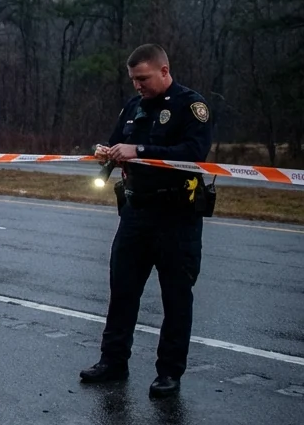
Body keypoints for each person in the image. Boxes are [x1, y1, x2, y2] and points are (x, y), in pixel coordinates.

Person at [81, 44, 214, 399]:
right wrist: (105, 152)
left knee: (176, 297)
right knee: (122, 290)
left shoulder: (191, 107)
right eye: (133, 79)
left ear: (164, 71)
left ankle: (169, 372)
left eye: (143, 78)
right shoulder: (133, 107)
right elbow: (117, 143)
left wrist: (139, 151)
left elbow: (193, 153)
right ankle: (113, 361)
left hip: (176, 216)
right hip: (136, 213)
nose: (138, 85)